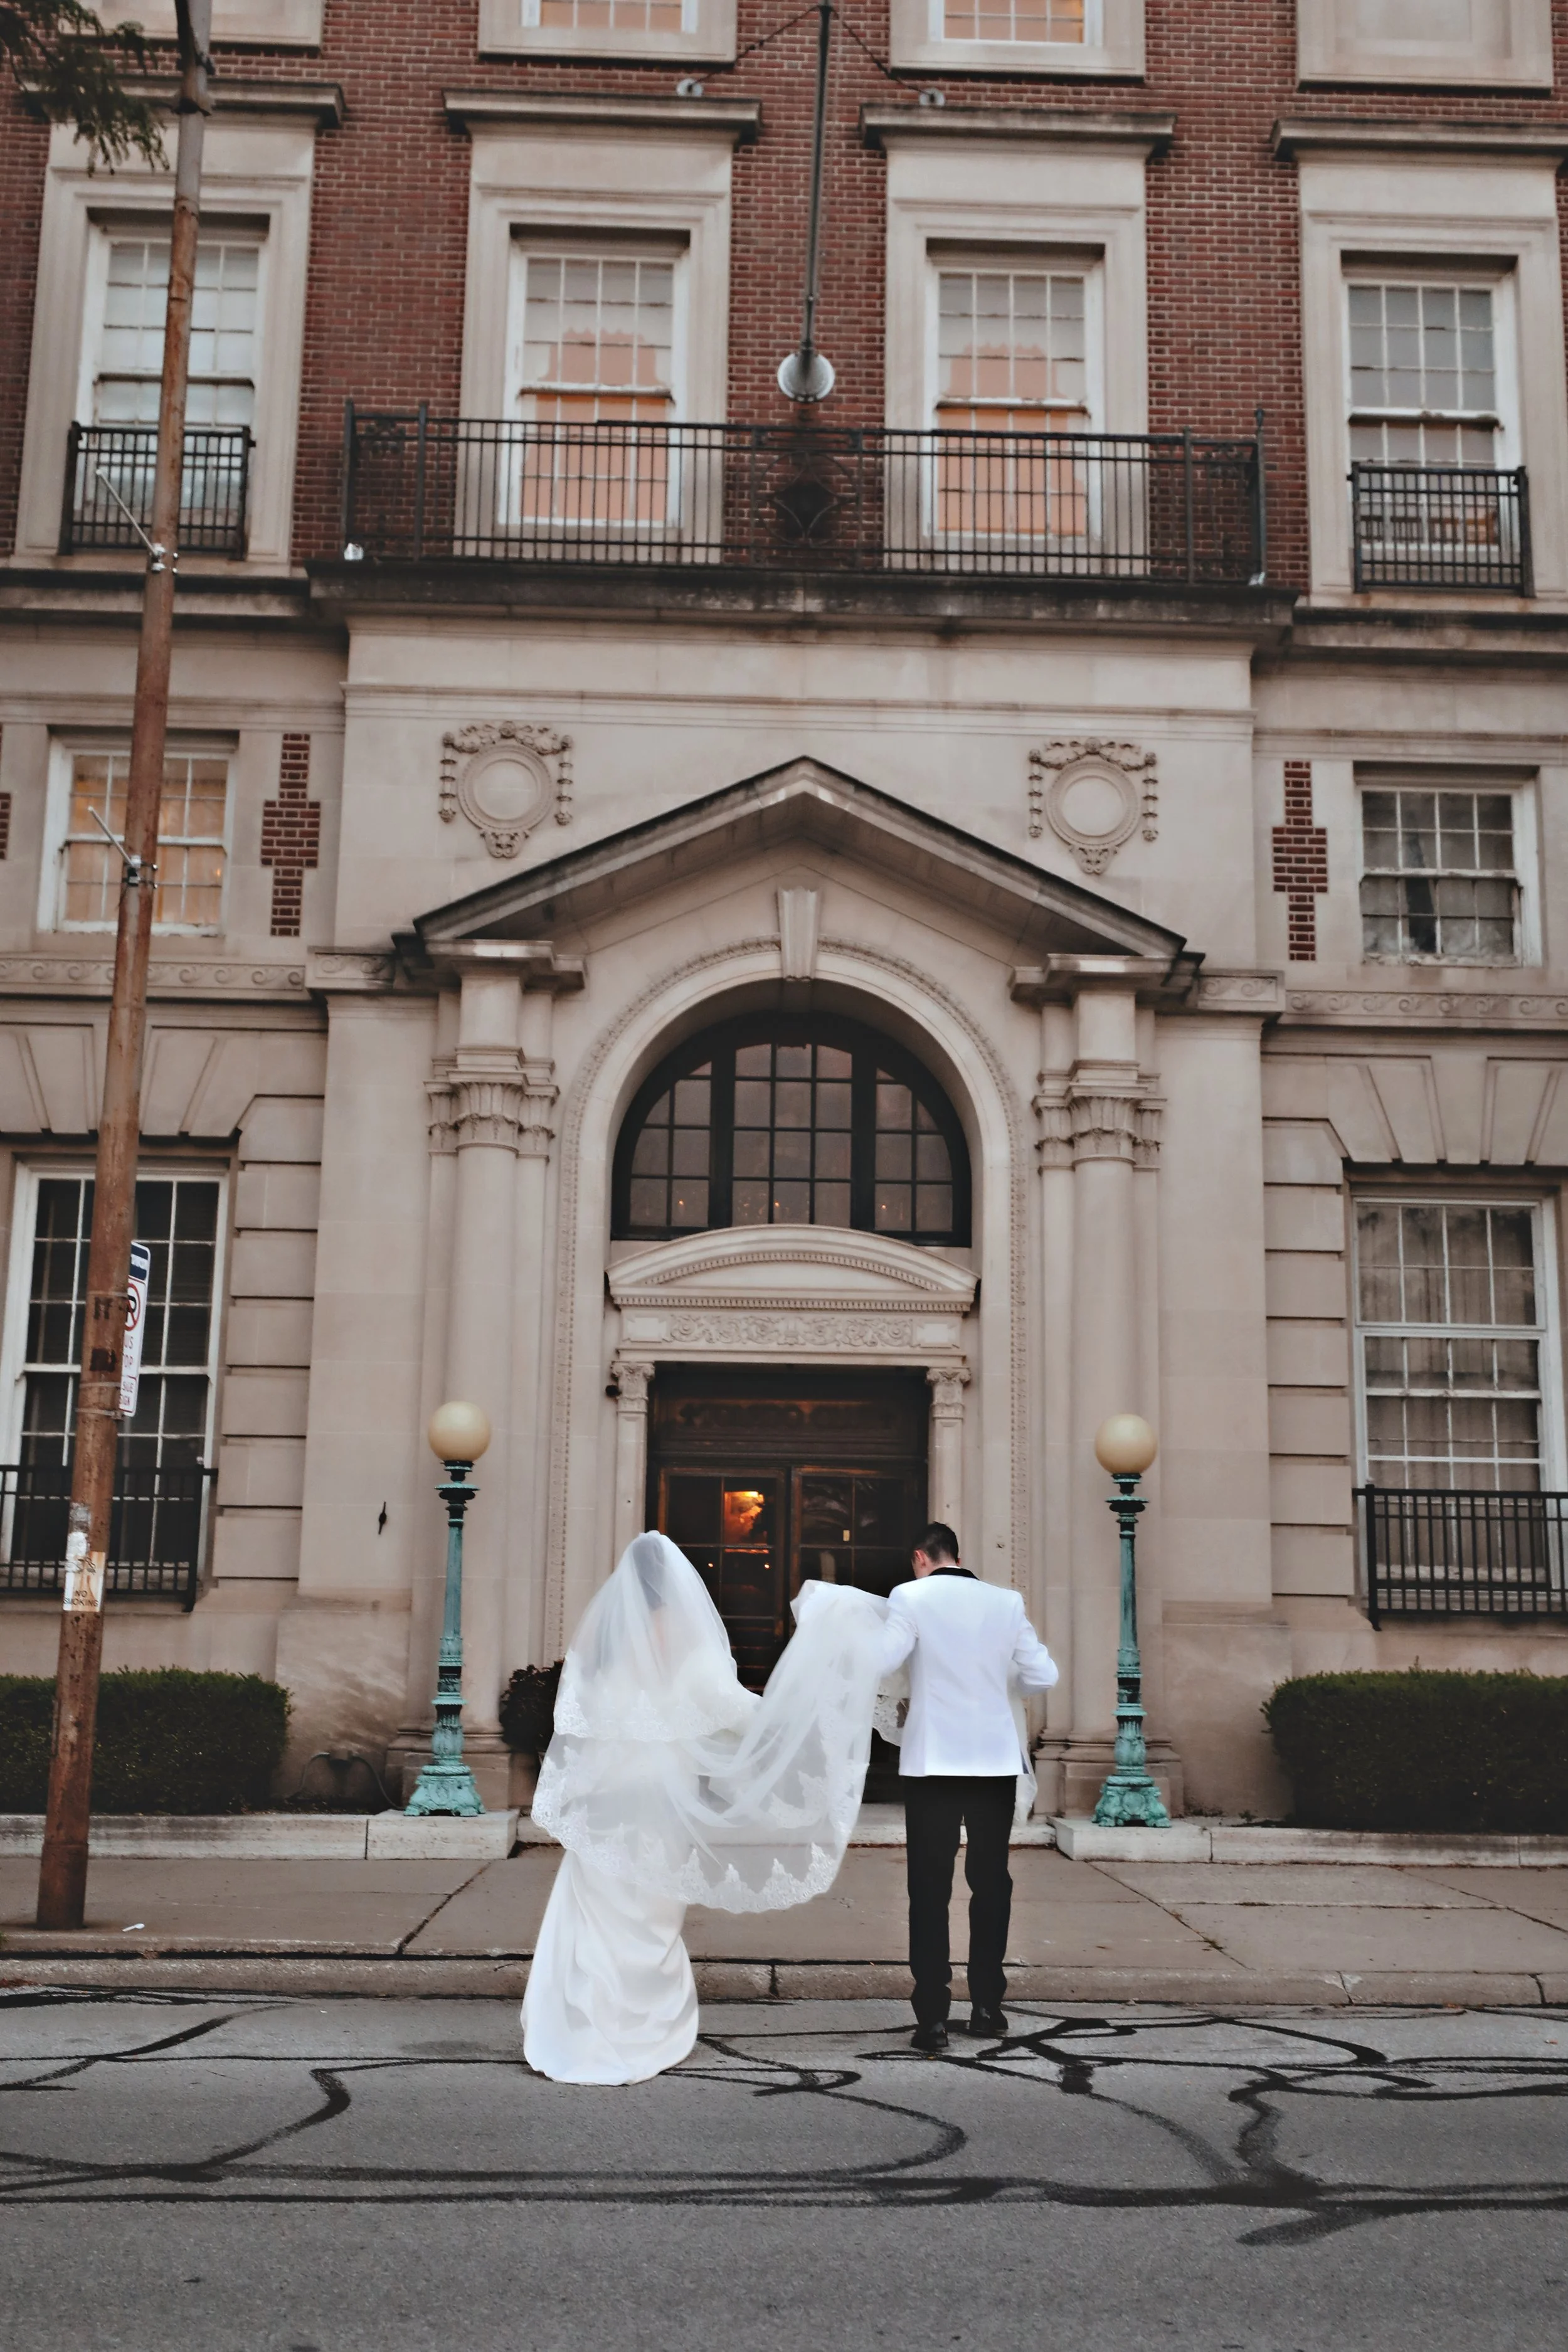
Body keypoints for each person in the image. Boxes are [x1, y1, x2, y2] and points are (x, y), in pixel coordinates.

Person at [523, 1530, 889, 2085]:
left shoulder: (597, 1655)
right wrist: (815, 1695)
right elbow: (753, 1723)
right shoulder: (692, 1662)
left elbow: (576, 1733)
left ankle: (580, 2028)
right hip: (654, 1818)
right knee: (646, 1925)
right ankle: (634, 2033)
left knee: (596, 1924)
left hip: (600, 1814)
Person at [877, 1521, 1059, 2053]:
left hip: (934, 1762)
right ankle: (987, 2006)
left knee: (929, 1892)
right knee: (991, 1884)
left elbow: (883, 1660)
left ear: (920, 1557)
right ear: (957, 1555)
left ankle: (932, 2017)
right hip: (993, 1762)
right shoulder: (1007, 1602)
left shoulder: (909, 1596)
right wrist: (1004, 1689)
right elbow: (1043, 1676)